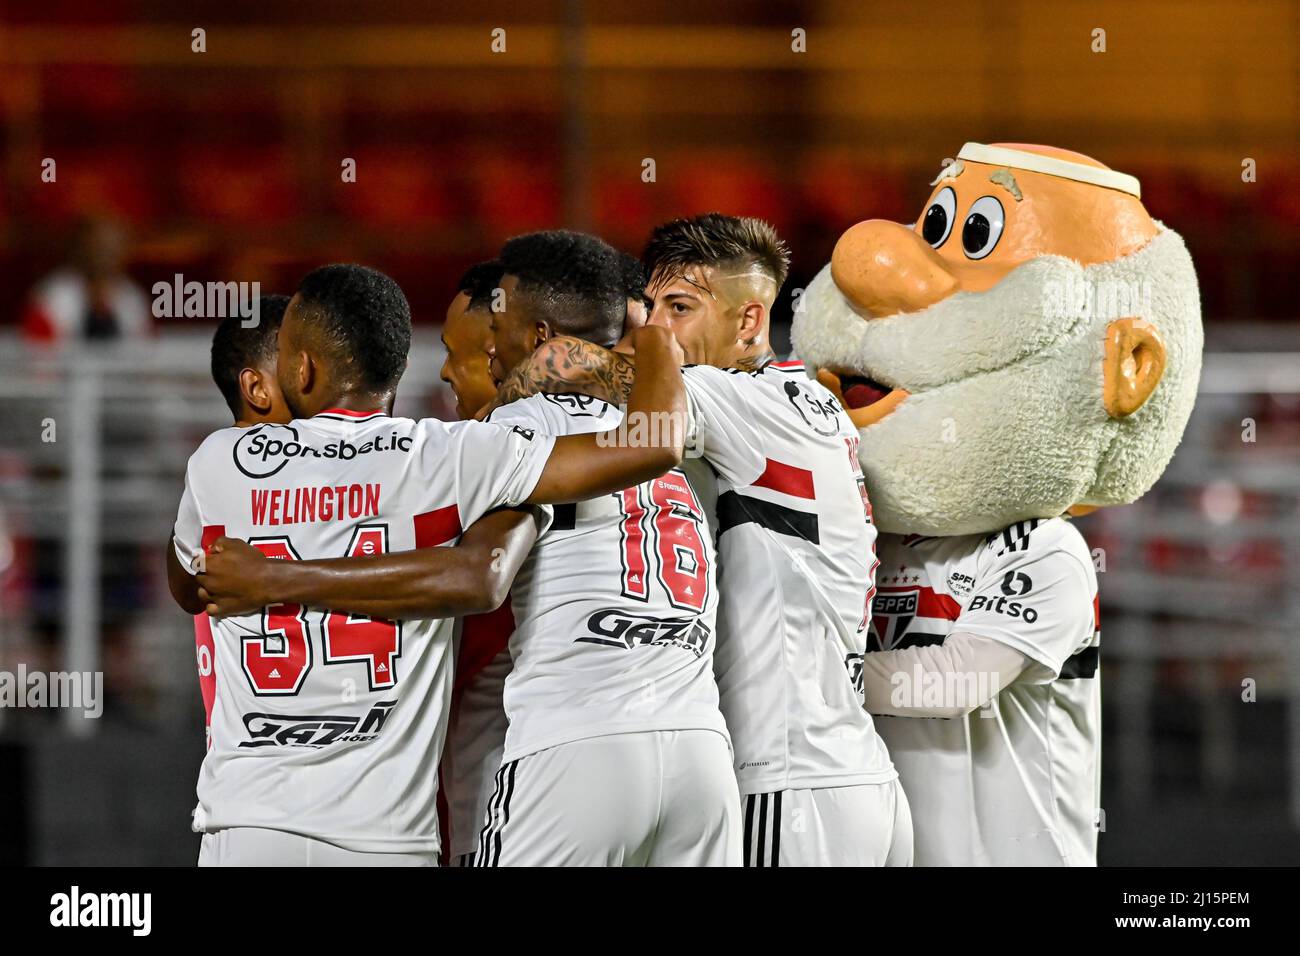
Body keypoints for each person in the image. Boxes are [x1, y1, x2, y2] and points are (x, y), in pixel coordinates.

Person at [202, 234, 741, 867]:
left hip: (558, 759)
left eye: (480, 345)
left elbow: (479, 575)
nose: (454, 370)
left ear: (535, 343)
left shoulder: (508, 438)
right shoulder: (694, 429)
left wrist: (278, 580)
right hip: (704, 752)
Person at [493, 214, 911, 867]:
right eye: (652, 307)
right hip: (852, 772)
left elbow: (562, 362)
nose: (657, 329)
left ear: (748, 323)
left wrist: (511, 398)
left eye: (680, 308)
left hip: (785, 782)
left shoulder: (728, 399)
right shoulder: (811, 399)